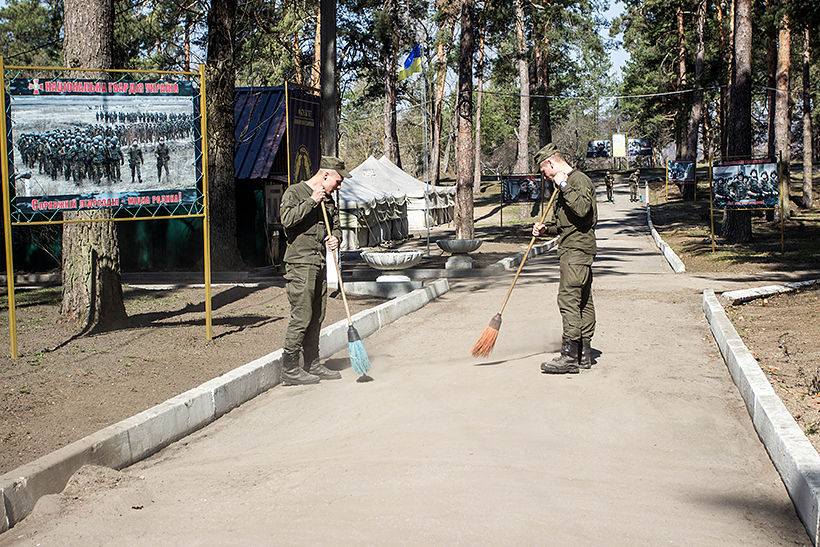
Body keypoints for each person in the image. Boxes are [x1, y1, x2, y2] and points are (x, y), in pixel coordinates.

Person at [280, 156, 348, 385]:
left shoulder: (328, 200)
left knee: (317, 315)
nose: (338, 187)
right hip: (300, 265)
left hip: (319, 262)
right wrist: (311, 201)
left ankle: (312, 363)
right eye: (337, 181)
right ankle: (290, 369)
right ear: (325, 175)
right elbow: (286, 220)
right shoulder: (296, 192)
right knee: (302, 315)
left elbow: (336, 225)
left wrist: (336, 237)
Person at [532, 143, 597, 374]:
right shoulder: (567, 183)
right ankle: (583, 354)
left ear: (550, 162)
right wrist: (545, 229)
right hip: (573, 249)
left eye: (544, 171)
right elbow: (566, 223)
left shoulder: (577, 180)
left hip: (576, 251)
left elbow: (583, 209)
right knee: (582, 300)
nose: (545, 177)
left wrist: (563, 185)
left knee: (568, 299)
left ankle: (569, 357)